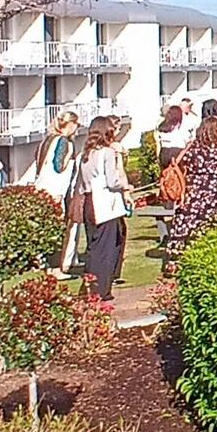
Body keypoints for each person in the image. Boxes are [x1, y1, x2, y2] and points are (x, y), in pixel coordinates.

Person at [78, 115, 129, 299]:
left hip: (89, 203)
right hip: (105, 205)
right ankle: (102, 290)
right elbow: (112, 181)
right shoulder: (106, 152)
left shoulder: (85, 154)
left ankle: (90, 287)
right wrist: (125, 185)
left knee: (94, 247)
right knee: (107, 248)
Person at [162, 114, 217, 250]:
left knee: (187, 221)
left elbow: (177, 162)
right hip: (213, 189)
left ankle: (178, 253)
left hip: (193, 188)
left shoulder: (193, 148)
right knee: (214, 221)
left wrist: (188, 148)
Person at [31, 111, 81, 202]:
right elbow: (58, 166)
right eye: (77, 124)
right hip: (54, 190)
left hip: (41, 186)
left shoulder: (48, 139)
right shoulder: (63, 141)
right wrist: (69, 153)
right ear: (71, 124)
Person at [155, 105, 189, 170]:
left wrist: (158, 157)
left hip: (164, 152)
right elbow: (187, 141)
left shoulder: (161, 126)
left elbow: (158, 143)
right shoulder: (181, 126)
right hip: (178, 152)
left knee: (166, 174)